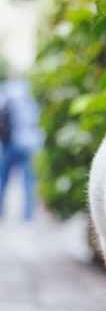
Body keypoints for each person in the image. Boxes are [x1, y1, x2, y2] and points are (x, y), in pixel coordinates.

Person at [0, 78, 43, 221]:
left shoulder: (6, 91)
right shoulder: (29, 94)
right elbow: (36, 119)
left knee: (3, 179)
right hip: (27, 143)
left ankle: (1, 212)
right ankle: (28, 216)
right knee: (28, 181)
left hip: (9, 143)